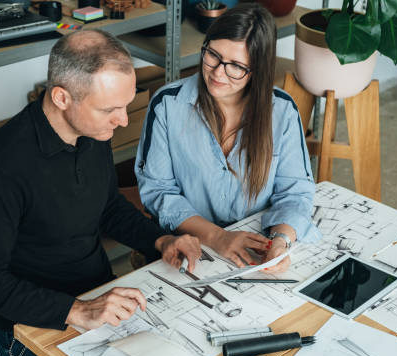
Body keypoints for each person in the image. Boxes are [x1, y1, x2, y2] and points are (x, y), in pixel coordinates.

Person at [0, 30, 201, 356]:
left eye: (126, 104)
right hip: (25, 336)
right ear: (61, 97)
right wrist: (76, 310)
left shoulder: (91, 133)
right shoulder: (0, 168)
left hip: (97, 301)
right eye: (109, 110)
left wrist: (160, 241)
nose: (123, 121)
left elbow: (107, 207)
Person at [135, 3, 321, 274]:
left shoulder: (281, 110)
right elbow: (158, 191)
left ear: (256, 71)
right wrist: (217, 237)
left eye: (236, 66)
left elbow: (295, 191)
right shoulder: (167, 105)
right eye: (213, 55)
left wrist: (281, 240)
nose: (218, 73)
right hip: (189, 245)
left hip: (256, 246)